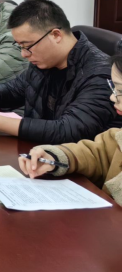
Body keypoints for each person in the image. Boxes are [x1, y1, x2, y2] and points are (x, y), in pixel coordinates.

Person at [0, 0, 122, 143]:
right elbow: (15, 89)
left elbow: (68, 130)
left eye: (27, 46)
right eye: (19, 46)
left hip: (77, 168)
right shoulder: (45, 60)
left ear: (56, 35)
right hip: (38, 152)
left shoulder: (101, 75)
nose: (23, 54)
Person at [18, 52, 122, 206]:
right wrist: (55, 157)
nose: (113, 97)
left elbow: (67, 128)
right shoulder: (117, 137)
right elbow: (98, 155)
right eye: (114, 88)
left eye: (120, 91)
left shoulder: (92, 70)